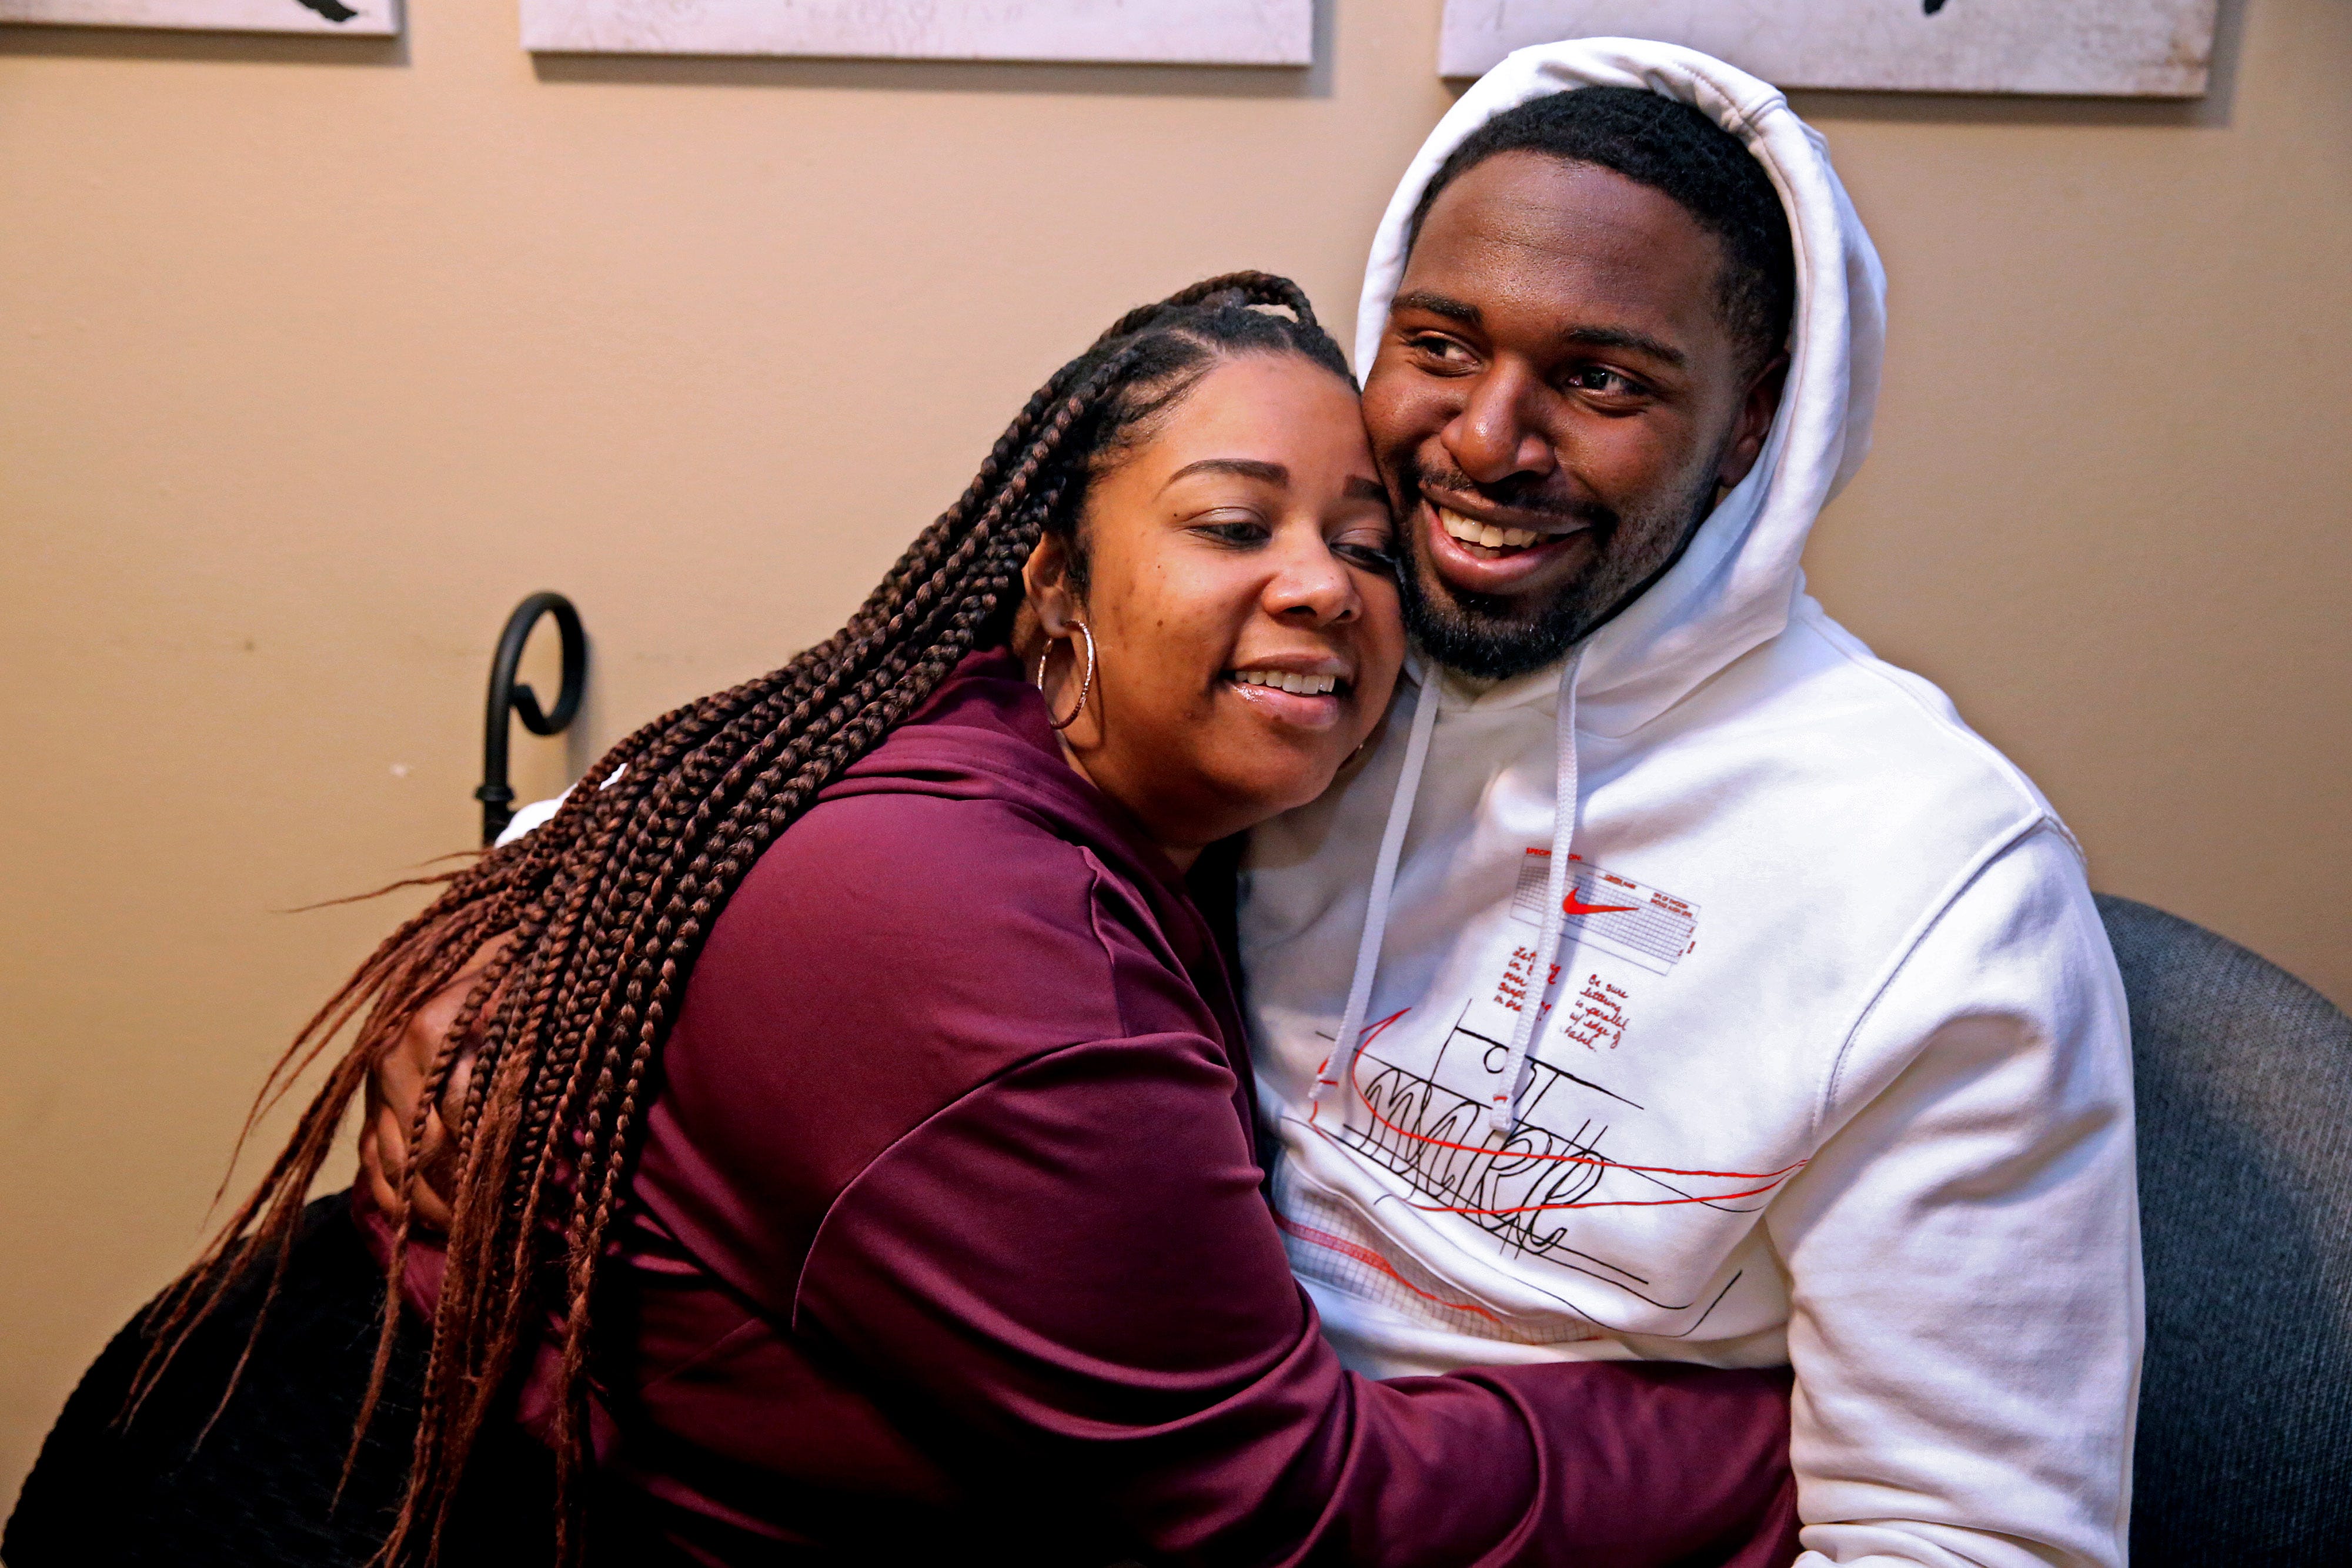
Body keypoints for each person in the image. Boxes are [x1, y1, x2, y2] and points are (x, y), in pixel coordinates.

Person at [94, 276, 1799, 1567]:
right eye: (1232, 524)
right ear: (1047, 580)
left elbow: (701, 808)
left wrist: (525, 895)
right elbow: (1285, 1500)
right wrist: (1791, 1440)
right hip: (348, 1503)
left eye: (1366, 547)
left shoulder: (1120, 780)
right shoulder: (982, 948)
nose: (1318, 582)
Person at [1241, 41, 2141, 1568]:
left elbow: (1970, 1539)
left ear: (1752, 423)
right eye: (1441, 344)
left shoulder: (1934, 882)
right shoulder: (1304, 683)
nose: (1482, 441)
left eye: (1600, 379)